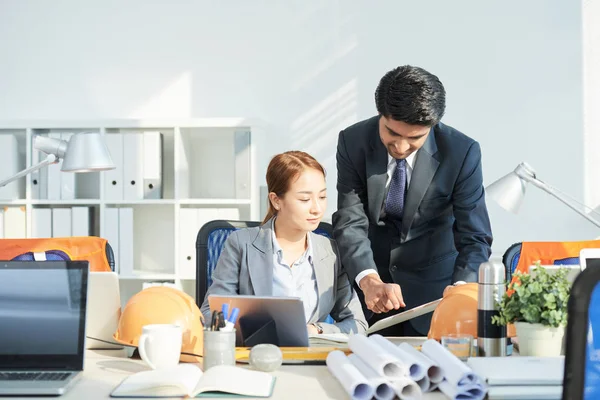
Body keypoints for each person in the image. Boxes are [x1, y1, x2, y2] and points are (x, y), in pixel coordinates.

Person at [332, 65, 493, 336]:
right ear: (380, 115)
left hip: (437, 297)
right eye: (392, 134)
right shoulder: (352, 141)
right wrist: (368, 279)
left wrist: (460, 291)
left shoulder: (462, 152)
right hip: (373, 295)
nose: (401, 147)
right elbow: (350, 220)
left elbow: (475, 237)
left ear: (432, 126)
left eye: (414, 138)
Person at [201, 151, 367, 335]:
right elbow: (211, 314)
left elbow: (358, 324)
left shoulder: (332, 252)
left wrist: (316, 330)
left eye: (322, 197)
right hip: (256, 353)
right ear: (276, 200)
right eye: (305, 199)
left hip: (312, 356)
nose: (317, 209)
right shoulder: (241, 244)